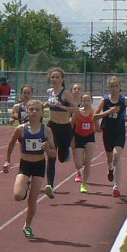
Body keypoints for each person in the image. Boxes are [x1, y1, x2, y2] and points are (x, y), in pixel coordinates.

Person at [2, 97, 56, 239]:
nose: (34, 112)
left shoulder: (46, 131)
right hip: (25, 165)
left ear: (42, 113)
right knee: (18, 196)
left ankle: (27, 225)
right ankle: (26, 187)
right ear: (27, 111)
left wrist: (47, 149)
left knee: (32, 200)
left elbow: (53, 153)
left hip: (39, 165)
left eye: (37, 110)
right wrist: (7, 161)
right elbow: (11, 144)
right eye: (31, 109)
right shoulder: (21, 129)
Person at [98, 75, 127, 198]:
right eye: (111, 86)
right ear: (109, 87)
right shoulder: (105, 100)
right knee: (109, 158)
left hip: (119, 132)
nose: (114, 88)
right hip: (107, 132)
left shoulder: (124, 100)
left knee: (117, 156)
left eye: (116, 86)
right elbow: (96, 114)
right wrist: (98, 124)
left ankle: (116, 187)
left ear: (120, 87)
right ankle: (110, 168)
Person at [42, 68, 74, 197]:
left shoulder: (65, 93)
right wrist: (43, 105)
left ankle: (67, 153)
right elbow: (47, 104)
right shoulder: (49, 92)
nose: (54, 79)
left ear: (62, 79)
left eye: (57, 77)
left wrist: (63, 107)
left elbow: (76, 109)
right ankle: (50, 185)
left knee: (61, 157)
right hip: (51, 127)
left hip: (65, 128)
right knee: (51, 156)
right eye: (53, 77)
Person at [70, 89, 97, 193]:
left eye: (88, 100)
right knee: (79, 163)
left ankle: (84, 184)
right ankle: (79, 172)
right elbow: (71, 126)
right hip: (78, 137)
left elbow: (97, 126)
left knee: (88, 162)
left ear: (91, 101)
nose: (86, 103)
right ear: (81, 102)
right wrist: (71, 139)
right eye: (84, 100)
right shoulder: (77, 113)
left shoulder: (94, 112)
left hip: (90, 137)